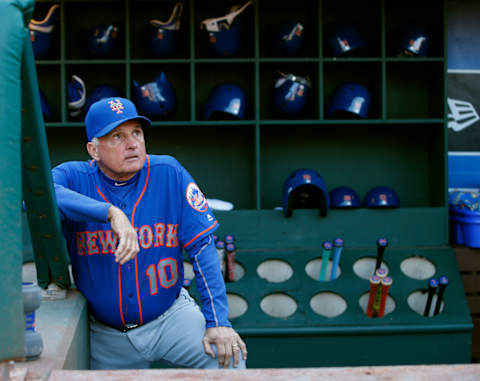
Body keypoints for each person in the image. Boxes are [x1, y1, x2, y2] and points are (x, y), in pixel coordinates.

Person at [52, 97, 247, 370]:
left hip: (171, 317)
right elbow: (39, 195)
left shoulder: (168, 172)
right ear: (93, 150)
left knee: (231, 358)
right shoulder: (75, 177)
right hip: (107, 335)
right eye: (117, 136)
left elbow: (202, 248)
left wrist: (218, 322)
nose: (132, 143)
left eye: (137, 133)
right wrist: (109, 213)